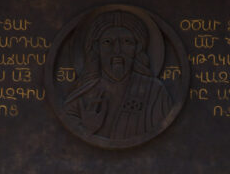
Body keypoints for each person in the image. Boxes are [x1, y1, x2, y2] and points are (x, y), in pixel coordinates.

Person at [63, 9, 172, 141]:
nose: (117, 51)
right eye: (108, 42)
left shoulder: (154, 92)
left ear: (137, 47)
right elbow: (64, 140)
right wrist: (87, 128)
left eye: (127, 42)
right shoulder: (81, 97)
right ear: (97, 48)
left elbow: (164, 138)